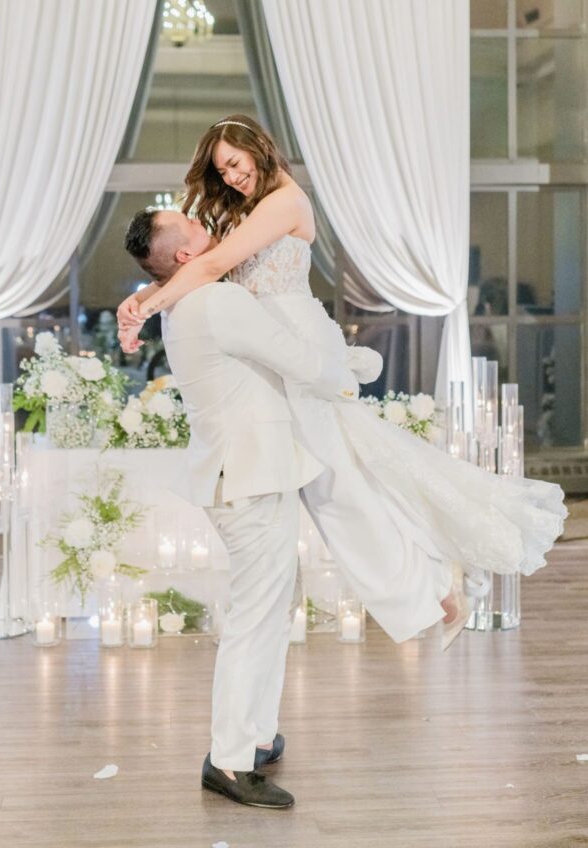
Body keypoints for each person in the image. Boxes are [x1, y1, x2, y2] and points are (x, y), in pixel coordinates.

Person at [118, 116, 566, 650]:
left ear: (259, 149)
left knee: (339, 487)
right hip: (282, 351)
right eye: (222, 171)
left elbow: (212, 263)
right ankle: (432, 584)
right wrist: (146, 292)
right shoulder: (251, 209)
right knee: (343, 483)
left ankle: (434, 586)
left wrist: (146, 304)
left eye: (234, 164)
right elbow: (201, 261)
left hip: (299, 344)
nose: (231, 177)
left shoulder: (285, 200)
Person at [123, 208, 360, 808]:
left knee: (272, 609)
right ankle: (229, 760)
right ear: (184, 257)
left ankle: (254, 736)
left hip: (249, 471)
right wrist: (354, 372)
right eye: (195, 229)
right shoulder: (214, 303)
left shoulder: (184, 302)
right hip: (248, 479)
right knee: (256, 618)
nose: (208, 228)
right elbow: (302, 360)